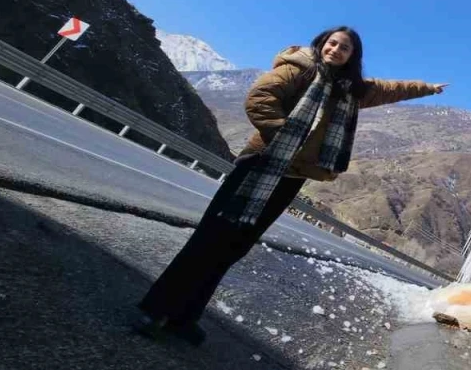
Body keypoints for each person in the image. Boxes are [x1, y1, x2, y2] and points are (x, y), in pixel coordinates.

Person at [134, 26, 447, 345]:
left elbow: (390, 89)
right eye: (332, 43)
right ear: (322, 44)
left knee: (235, 246)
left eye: (345, 48)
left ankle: (185, 315)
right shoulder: (300, 68)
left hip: (292, 177)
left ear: (352, 56)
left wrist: (427, 88)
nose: (336, 50)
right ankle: (155, 309)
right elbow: (260, 98)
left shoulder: (349, 90)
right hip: (260, 164)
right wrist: (287, 136)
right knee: (211, 237)